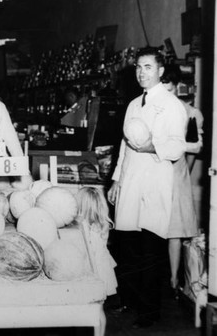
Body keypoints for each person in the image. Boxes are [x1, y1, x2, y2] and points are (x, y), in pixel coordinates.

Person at [107, 47, 187, 328]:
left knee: (150, 250)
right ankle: (129, 300)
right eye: (139, 67)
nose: (142, 72)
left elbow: (178, 146)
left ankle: (149, 312)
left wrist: (153, 145)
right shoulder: (132, 105)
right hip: (130, 181)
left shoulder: (172, 105)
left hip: (154, 182)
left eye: (148, 67)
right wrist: (117, 178)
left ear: (161, 70)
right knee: (128, 246)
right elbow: (124, 146)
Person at [161, 64, 203, 297]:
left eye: (169, 90)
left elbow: (194, 150)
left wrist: (181, 174)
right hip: (155, 176)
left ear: (177, 87)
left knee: (175, 231)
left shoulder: (190, 113)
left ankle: (174, 279)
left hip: (177, 176)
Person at [76, 186, 117, 336]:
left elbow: (88, 252)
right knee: (99, 311)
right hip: (104, 271)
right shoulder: (102, 225)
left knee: (90, 311)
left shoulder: (84, 226)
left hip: (93, 272)